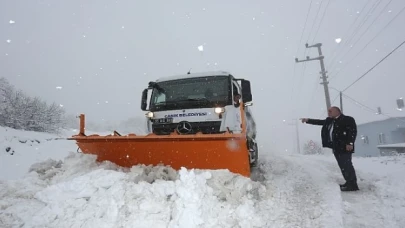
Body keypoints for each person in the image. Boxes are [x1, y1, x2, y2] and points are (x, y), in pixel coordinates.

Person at [300, 106, 359, 191]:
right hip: (336, 147)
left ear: (338, 111)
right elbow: (319, 122)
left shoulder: (348, 119)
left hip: (345, 147)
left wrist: (349, 143)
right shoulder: (330, 120)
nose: (329, 113)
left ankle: (353, 185)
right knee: (342, 165)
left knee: (347, 165)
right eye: (328, 111)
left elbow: (352, 131)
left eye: (330, 111)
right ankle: (348, 182)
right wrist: (308, 120)